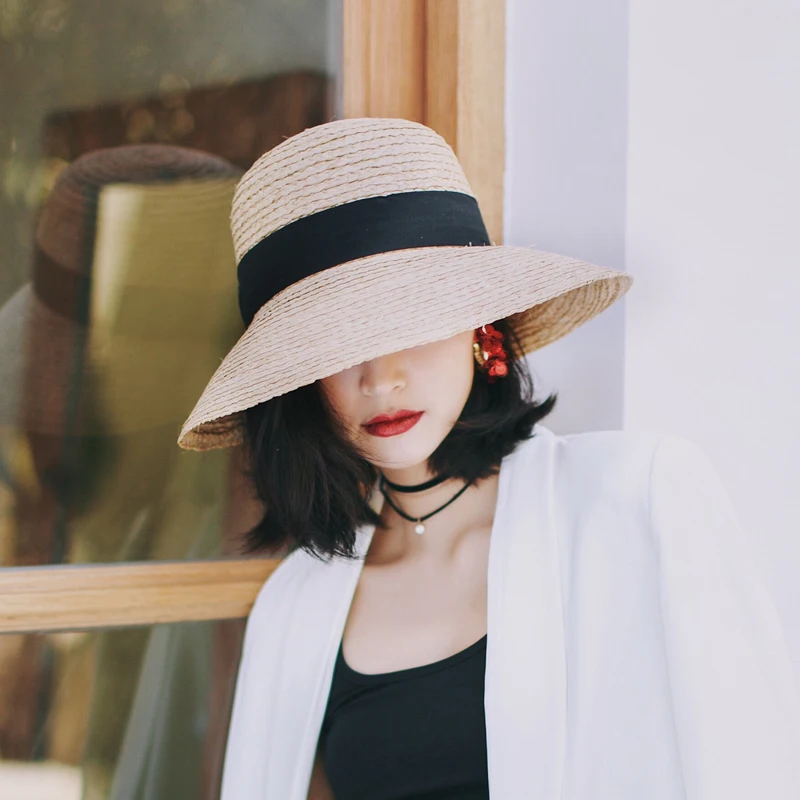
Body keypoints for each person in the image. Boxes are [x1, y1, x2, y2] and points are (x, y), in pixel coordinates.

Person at [178, 117, 800, 800]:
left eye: (410, 319)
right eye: (334, 345)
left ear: (481, 326)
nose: (381, 378)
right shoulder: (296, 605)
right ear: (297, 385)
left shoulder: (639, 501)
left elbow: (755, 768)